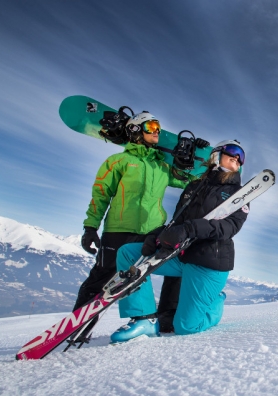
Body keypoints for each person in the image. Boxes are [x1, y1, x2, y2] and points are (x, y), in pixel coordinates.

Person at [110, 140, 248, 342]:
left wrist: (190, 229)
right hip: (182, 257)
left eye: (241, 157)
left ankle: (215, 301)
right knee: (128, 253)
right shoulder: (194, 186)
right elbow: (178, 221)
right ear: (216, 154)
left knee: (186, 327)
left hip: (209, 262)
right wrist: (156, 236)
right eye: (233, 151)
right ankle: (144, 319)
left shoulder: (240, 194)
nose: (237, 158)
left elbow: (229, 228)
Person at [73, 112, 197, 334]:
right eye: (151, 126)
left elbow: (192, 182)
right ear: (135, 130)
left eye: (158, 126)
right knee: (101, 279)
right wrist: (90, 227)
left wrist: (193, 159)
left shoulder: (163, 168)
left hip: (152, 232)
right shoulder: (118, 161)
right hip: (118, 231)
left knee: (175, 269)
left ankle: (166, 319)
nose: (157, 131)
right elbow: (100, 195)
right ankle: (76, 329)